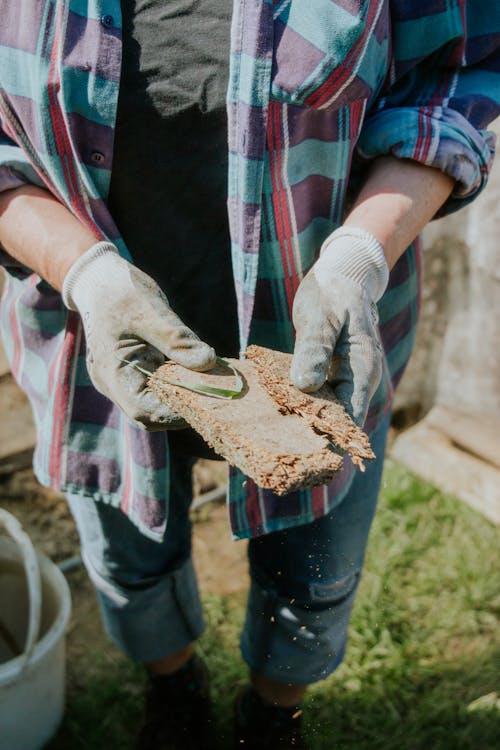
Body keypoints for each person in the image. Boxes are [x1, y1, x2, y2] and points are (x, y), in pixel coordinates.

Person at [0, 2, 498, 748]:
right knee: (129, 556)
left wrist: (362, 252)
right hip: (96, 340)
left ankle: (272, 717)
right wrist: (86, 275)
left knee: (313, 569)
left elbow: (455, 78)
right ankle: (175, 689)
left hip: (318, 339)